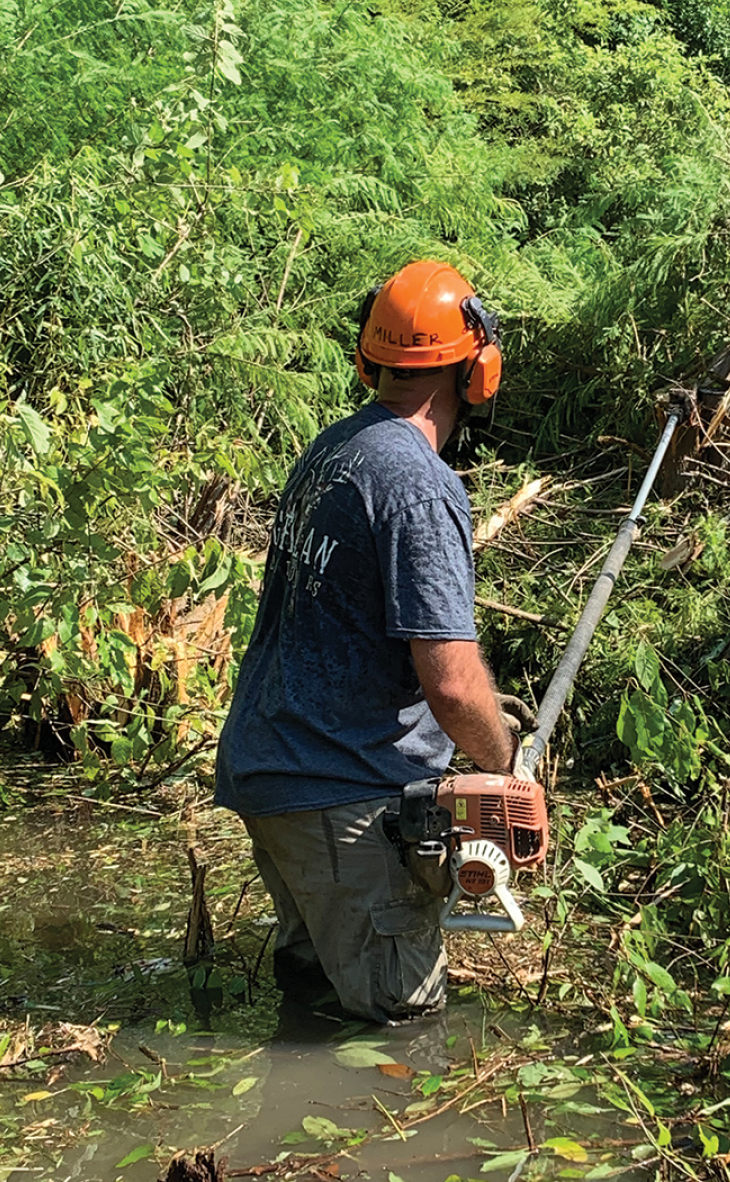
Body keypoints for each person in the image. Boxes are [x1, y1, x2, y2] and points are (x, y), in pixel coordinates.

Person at [213, 260, 527, 1024]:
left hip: (276, 778)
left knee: (318, 1010)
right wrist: (509, 768)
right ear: (475, 368)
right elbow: (452, 684)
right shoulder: (420, 484)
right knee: (401, 1032)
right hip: (341, 795)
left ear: (372, 356)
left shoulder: (334, 450)